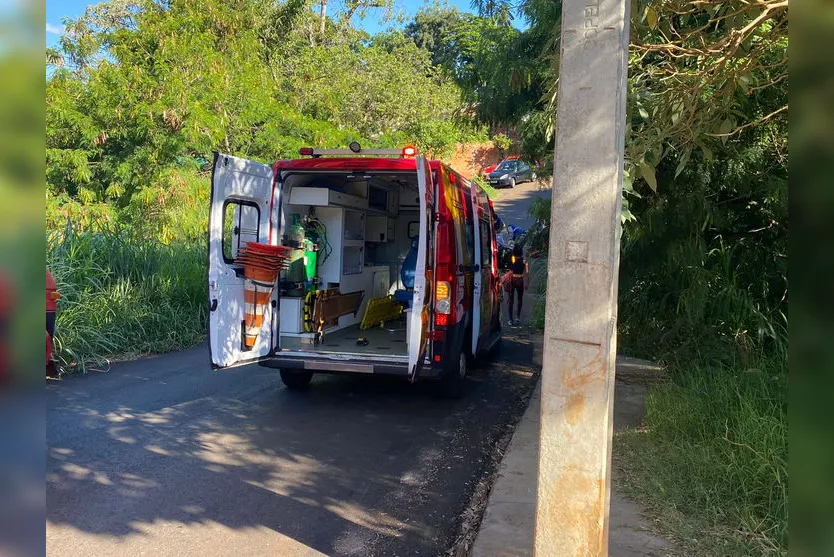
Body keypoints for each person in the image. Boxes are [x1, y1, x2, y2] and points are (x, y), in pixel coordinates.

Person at [507, 244, 528, 326]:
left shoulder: (512, 259)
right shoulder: (524, 261)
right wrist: (526, 283)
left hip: (511, 279)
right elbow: (526, 273)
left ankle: (510, 320)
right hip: (520, 280)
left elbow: (508, 269)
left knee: (510, 300)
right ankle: (517, 318)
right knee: (519, 299)